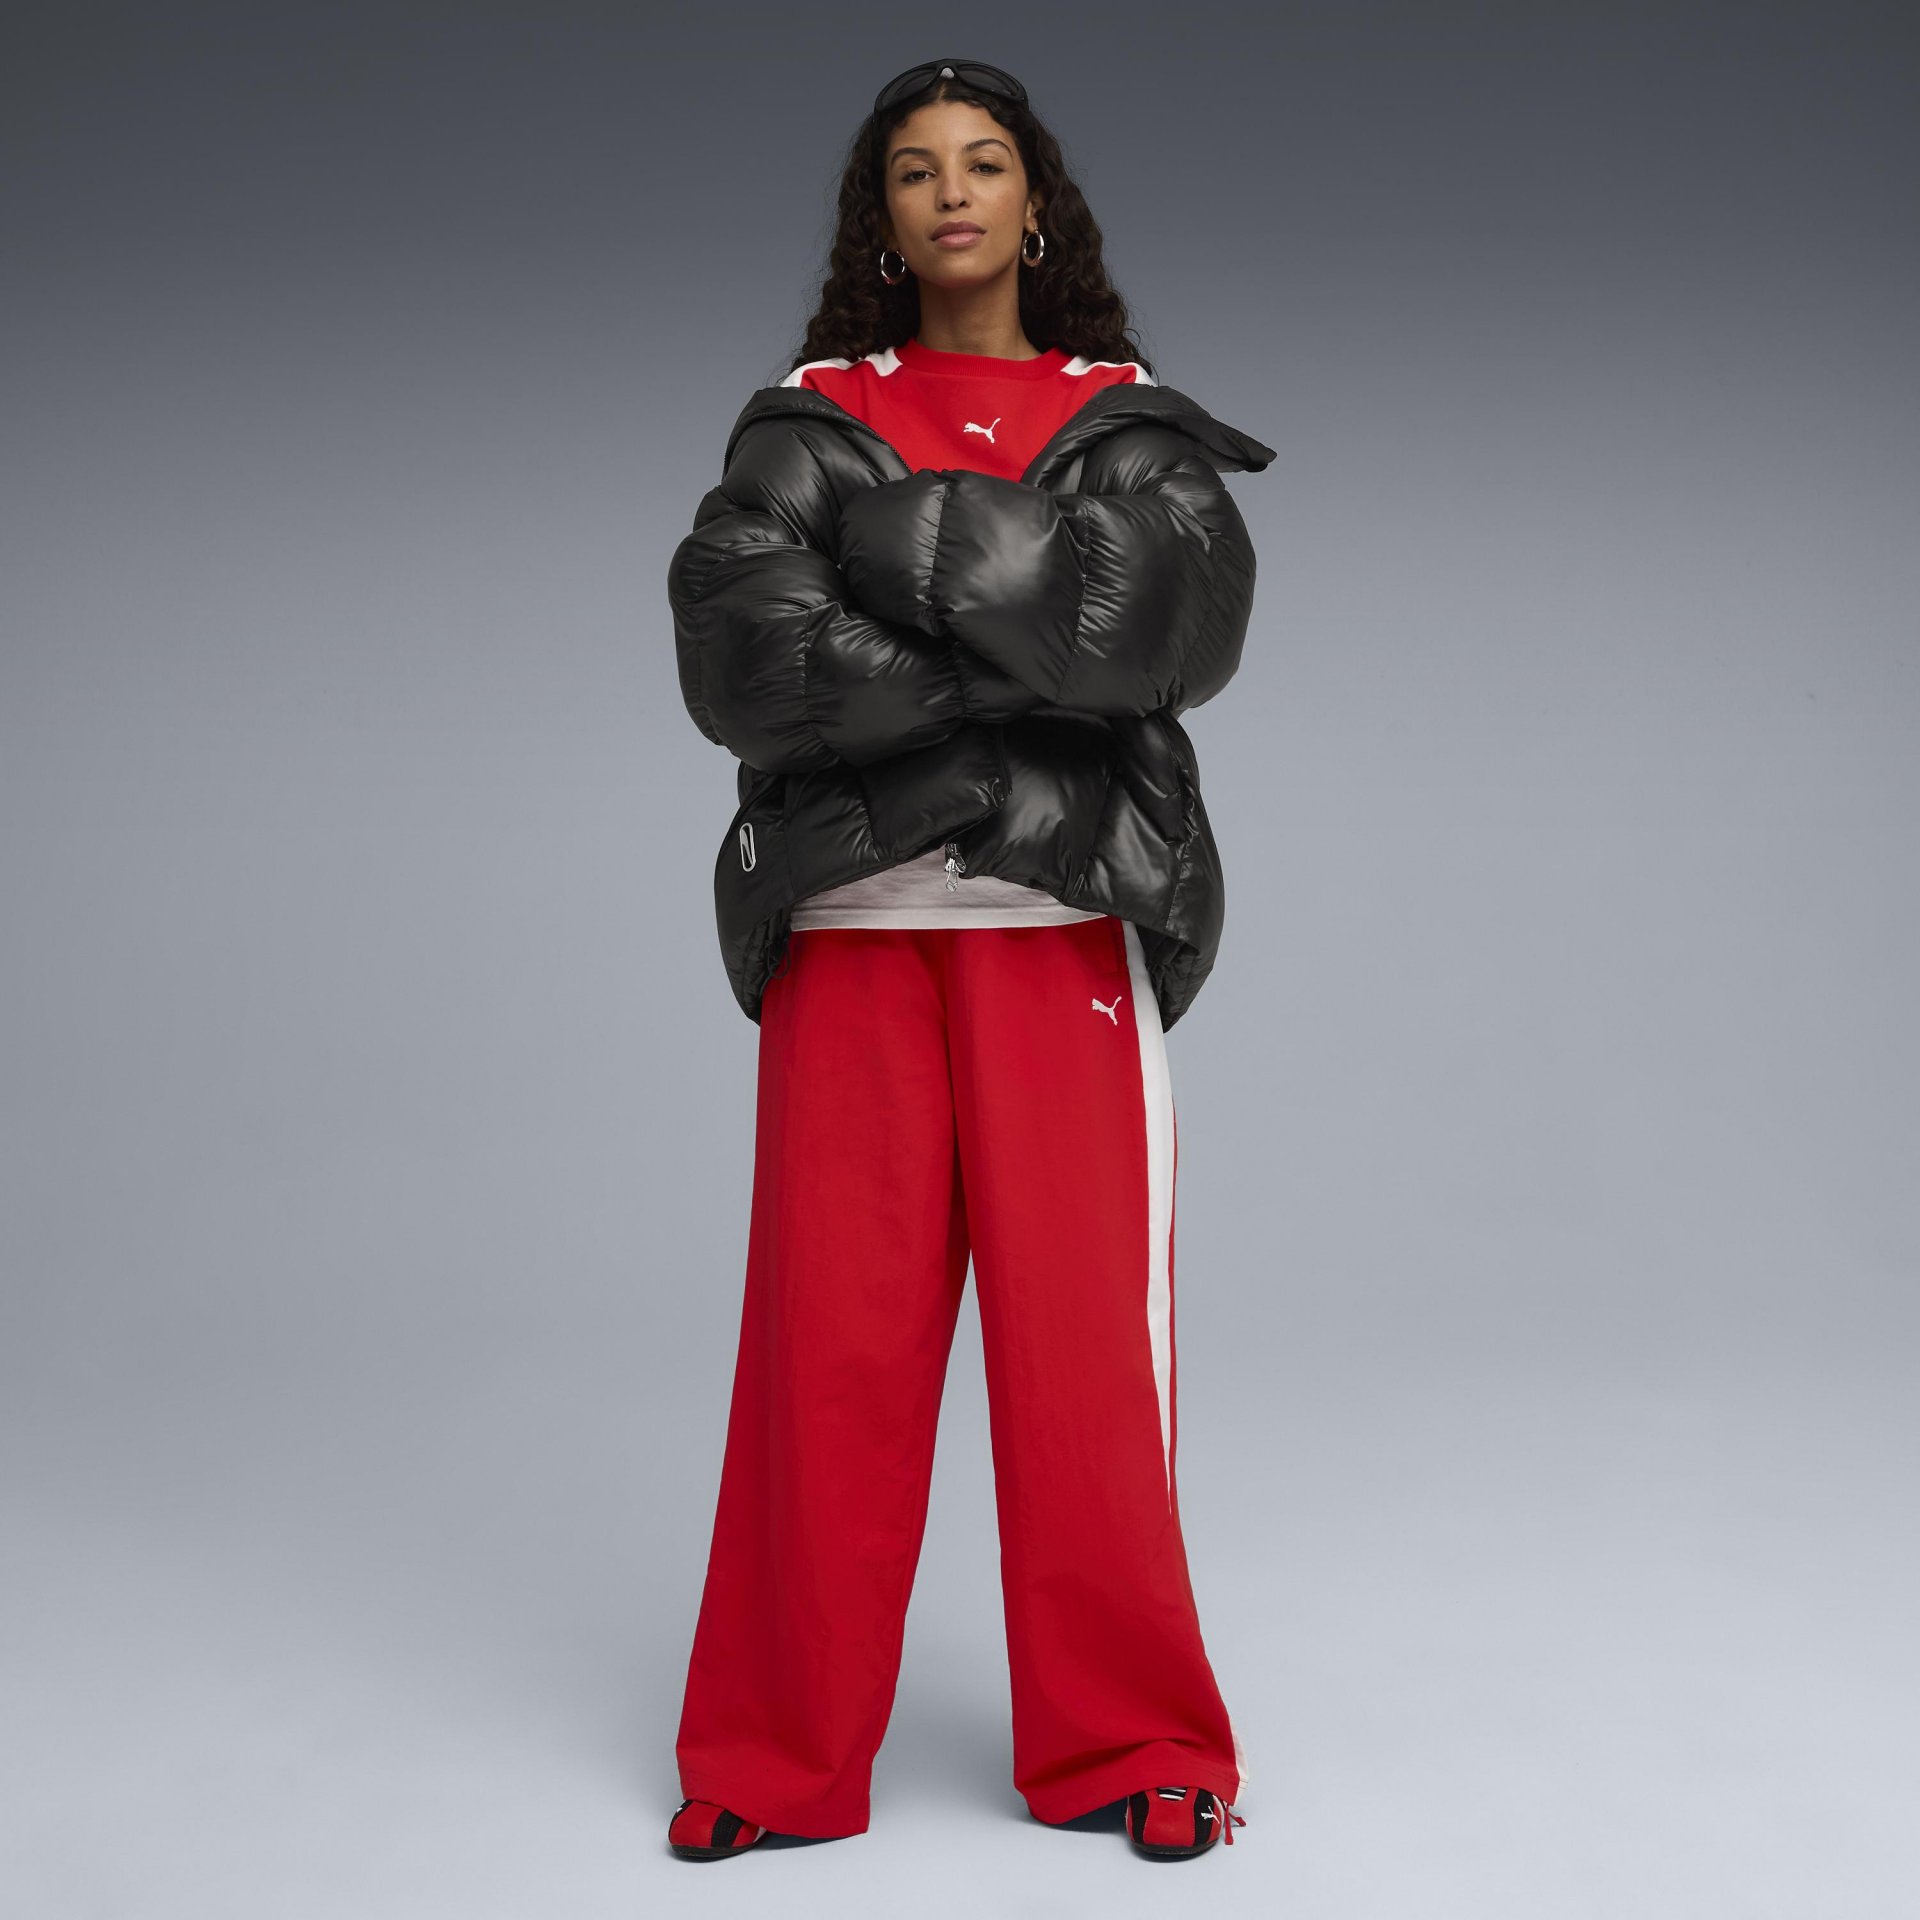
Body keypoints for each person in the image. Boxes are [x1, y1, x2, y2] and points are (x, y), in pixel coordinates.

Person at [664, 57, 1274, 1864]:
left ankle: (1139, 1743)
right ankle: (772, 1759)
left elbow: (1162, 629)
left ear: (1034, 203)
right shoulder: (811, 410)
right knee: (823, 1361)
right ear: (881, 216)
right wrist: (1026, 650)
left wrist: (889, 574)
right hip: (855, 935)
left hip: (1057, 940)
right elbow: (742, 655)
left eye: (985, 163)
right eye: (917, 169)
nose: (952, 192)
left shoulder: (1123, 413)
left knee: (1087, 1368)